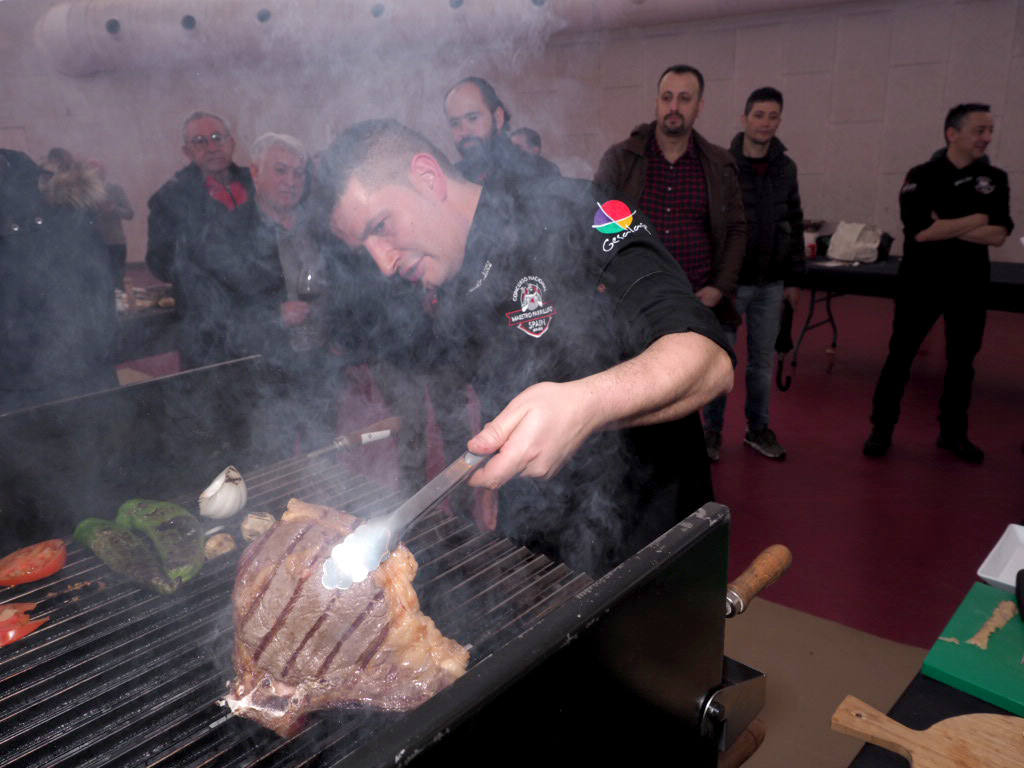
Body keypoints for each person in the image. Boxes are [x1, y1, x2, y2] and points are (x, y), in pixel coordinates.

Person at [320, 119, 733, 578]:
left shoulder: (581, 208)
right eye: (366, 248)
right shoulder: (446, 278)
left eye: (381, 226)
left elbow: (707, 358)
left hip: (650, 529)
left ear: (427, 177)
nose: (384, 263)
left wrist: (584, 404)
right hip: (541, 535)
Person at [864, 104, 1013, 464]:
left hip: (970, 285)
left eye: (990, 130)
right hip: (921, 283)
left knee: (963, 362)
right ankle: (881, 430)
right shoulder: (922, 175)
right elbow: (921, 232)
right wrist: (978, 217)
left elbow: (998, 234)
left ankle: (953, 433)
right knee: (900, 357)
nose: (987, 138)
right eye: (979, 130)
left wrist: (947, 223)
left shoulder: (995, 178)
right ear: (953, 133)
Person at [193, 133, 358, 457]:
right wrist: (274, 315)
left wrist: (342, 333)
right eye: (280, 171)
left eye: (299, 173)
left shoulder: (321, 228)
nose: (291, 182)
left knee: (322, 457)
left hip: (320, 368)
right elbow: (213, 313)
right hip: (262, 374)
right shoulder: (227, 233)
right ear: (255, 172)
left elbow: (346, 284)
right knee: (269, 463)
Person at [594, 64, 746, 346]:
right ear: (656, 102)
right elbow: (597, 224)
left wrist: (720, 287)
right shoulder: (621, 159)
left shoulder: (719, 165)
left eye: (684, 99)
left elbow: (737, 230)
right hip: (634, 307)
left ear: (699, 106)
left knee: (703, 388)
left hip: (699, 305)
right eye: (667, 97)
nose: (673, 106)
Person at [701, 87, 804, 462]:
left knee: (762, 363)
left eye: (772, 116)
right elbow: (714, 225)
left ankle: (758, 429)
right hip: (731, 285)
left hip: (771, 283)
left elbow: (793, 219)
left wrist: (794, 278)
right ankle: (711, 432)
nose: (765, 123)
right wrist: (715, 280)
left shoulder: (786, 168)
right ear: (744, 119)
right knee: (721, 364)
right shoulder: (723, 164)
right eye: (758, 115)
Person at [1, 148, 118, 413]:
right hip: (13, 391)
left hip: (82, 375)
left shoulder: (55, 197)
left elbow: (96, 285)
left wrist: (97, 347)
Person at [145, 111, 254, 368]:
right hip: (207, 328)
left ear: (232, 142)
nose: (212, 147)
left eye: (217, 137)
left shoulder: (257, 183)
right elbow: (158, 262)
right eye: (200, 141)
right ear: (187, 151)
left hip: (263, 319)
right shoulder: (170, 198)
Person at [444, 76, 560, 184]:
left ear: (498, 118)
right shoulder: (452, 179)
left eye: (473, 118)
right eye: (455, 123)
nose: (464, 131)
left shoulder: (539, 172)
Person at [84, 160, 134, 290]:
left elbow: (129, 214)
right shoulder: (84, 193)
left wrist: (113, 209)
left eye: (97, 172)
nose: (95, 175)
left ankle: (120, 308)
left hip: (115, 242)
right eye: (91, 173)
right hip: (93, 243)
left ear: (103, 173)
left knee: (117, 280)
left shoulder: (115, 189)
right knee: (97, 280)